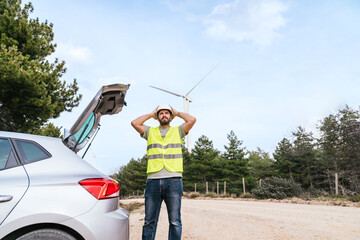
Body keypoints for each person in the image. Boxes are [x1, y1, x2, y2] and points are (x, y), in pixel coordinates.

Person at [131, 104, 196, 240]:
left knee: (174, 221)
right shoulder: (150, 132)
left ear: (171, 117)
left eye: (167, 113)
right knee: (149, 221)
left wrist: (177, 112)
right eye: (161, 113)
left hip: (174, 180)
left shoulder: (178, 131)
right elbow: (134, 123)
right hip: (153, 180)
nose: (164, 115)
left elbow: (192, 120)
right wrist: (150, 114)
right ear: (157, 117)